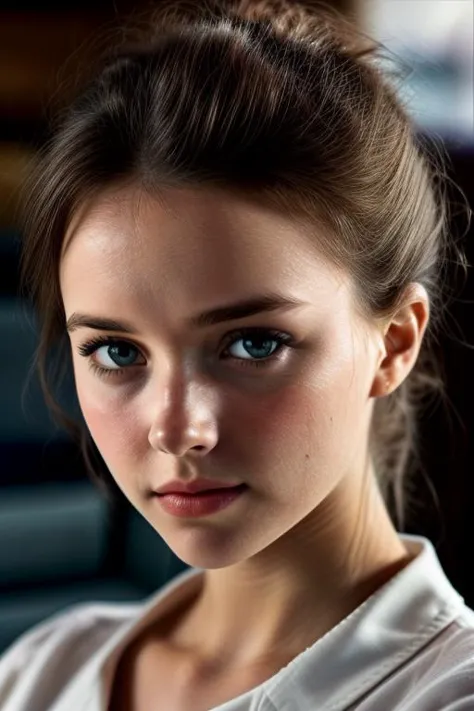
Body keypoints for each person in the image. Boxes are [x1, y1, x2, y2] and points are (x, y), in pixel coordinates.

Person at [1, 1, 473, 709]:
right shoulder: (42, 671)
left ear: (395, 340)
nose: (177, 427)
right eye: (118, 350)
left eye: (252, 344)